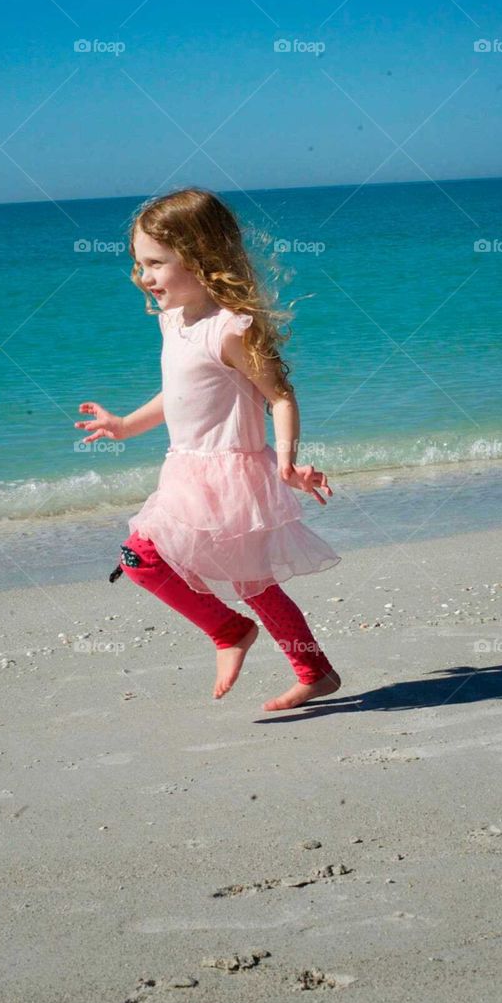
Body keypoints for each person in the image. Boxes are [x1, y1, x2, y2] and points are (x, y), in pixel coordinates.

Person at [76, 187, 342, 712]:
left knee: (151, 559)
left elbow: (281, 396)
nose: (144, 276)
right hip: (186, 470)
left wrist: (286, 460)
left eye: (156, 262)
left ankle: (235, 635)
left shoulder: (230, 329)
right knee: (218, 576)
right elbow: (180, 393)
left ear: (201, 259)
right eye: (138, 263)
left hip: (231, 475)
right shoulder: (173, 319)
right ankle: (305, 667)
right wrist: (127, 425)